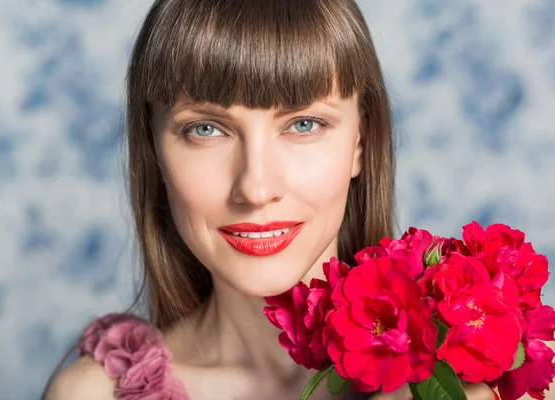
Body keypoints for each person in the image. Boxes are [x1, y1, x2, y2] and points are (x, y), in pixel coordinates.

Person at [43, 0, 498, 399]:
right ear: (155, 148)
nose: (256, 189)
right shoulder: (93, 395)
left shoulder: (503, 380)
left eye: (303, 124)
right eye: (206, 129)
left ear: (361, 142)